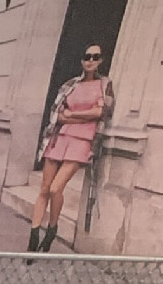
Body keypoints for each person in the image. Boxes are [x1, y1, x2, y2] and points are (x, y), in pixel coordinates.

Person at [29, 43, 114, 252]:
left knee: (55, 188)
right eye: (87, 56)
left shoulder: (105, 84)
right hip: (59, 137)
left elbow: (101, 113)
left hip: (82, 141)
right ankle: (33, 237)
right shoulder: (70, 84)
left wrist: (72, 115)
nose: (90, 61)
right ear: (81, 60)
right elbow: (57, 115)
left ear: (101, 60)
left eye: (95, 57)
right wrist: (82, 116)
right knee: (44, 189)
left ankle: (52, 228)